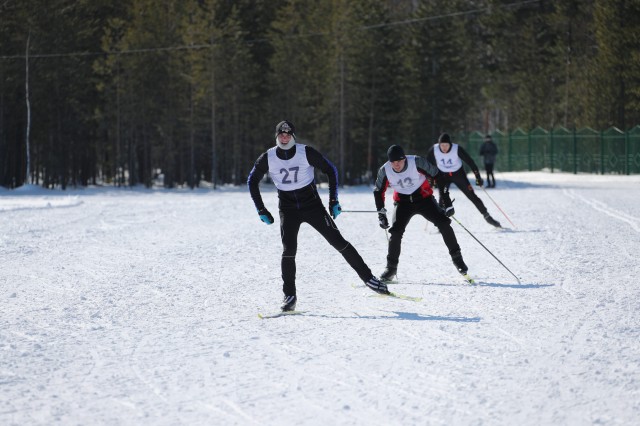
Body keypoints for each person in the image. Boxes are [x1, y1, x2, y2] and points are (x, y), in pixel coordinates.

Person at [247, 120, 389, 312]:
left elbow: (331, 170)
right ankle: (289, 296)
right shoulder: (268, 157)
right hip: (288, 209)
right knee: (288, 250)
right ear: (276, 136)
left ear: (293, 136)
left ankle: (369, 279)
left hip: (312, 206)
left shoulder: (305, 152)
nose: (284, 137)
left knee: (338, 242)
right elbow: (252, 181)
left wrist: (333, 201)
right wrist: (261, 209)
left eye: (288, 134)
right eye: (281, 134)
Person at [373, 144, 470, 283]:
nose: (396, 165)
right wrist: (381, 214)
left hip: (424, 199)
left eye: (399, 161)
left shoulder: (416, 162)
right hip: (403, 203)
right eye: (393, 162)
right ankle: (391, 269)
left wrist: (446, 202)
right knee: (395, 232)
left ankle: (458, 260)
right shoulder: (385, 170)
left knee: (444, 224)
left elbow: (439, 176)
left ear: (404, 158)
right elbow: (378, 191)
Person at [426, 133, 501, 228]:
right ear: (439, 144)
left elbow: (470, 162)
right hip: (443, 175)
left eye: (446, 145)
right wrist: (430, 179)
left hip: (458, 175)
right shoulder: (434, 149)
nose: (444, 148)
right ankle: (442, 222)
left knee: (472, 196)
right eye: (442, 145)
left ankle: (487, 216)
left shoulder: (456, 149)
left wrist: (478, 177)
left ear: (450, 144)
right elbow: (428, 164)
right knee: (442, 198)